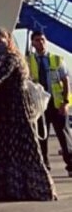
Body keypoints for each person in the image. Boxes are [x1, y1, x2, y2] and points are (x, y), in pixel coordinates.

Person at [0, 28, 56, 201]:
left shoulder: (12, 59)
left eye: (0, 41)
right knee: (7, 149)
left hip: (17, 109)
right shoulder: (0, 59)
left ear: (8, 40)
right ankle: (12, 190)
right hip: (5, 108)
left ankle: (39, 189)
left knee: (25, 148)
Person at [27, 30, 72, 177]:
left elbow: (66, 82)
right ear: (32, 43)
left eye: (43, 40)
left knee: (64, 136)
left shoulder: (57, 59)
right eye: (37, 40)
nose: (41, 42)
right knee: (41, 137)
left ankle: (71, 165)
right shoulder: (28, 61)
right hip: (39, 105)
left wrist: (66, 103)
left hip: (56, 103)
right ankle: (44, 166)